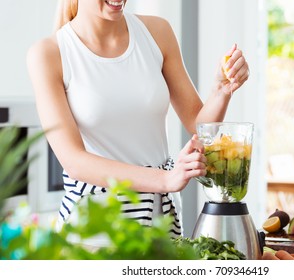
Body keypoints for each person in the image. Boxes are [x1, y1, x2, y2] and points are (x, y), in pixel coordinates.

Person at [26, 0, 250, 242]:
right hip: (95, 226)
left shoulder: (157, 32)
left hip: (160, 218)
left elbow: (197, 124)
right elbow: (74, 161)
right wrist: (165, 179)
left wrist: (221, 90)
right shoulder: (50, 53)